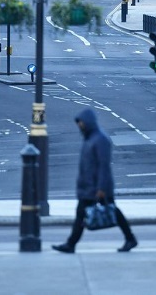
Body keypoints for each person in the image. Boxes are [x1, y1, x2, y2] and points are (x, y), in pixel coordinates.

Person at [52, 108, 137, 253]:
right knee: (84, 214)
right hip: (89, 186)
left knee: (112, 212)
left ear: (88, 122)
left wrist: (102, 188)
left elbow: (103, 165)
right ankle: (71, 244)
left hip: (97, 187)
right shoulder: (90, 138)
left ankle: (130, 238)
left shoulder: (100, 139)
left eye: (81, 123)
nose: (79, 126)